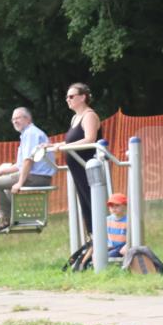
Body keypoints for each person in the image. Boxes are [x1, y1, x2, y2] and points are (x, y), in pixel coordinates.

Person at [0, 107, 55, 230]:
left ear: (28, 119)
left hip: (37, 177)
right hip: (36, 175)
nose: (15, 121)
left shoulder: (31, 134)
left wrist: (19, 183)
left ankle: (7, 217)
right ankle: (12, 214)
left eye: (18, 118)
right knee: (2, 182)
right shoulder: (27, 134)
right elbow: (20, 165)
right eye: (13, 119)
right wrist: (1, 171)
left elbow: (28, 161)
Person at [56, 82, 102, 235]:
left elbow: (90, 139)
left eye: (71, 96)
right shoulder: (75, 118)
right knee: (85, 204)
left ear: (83, 97)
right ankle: (93, 238)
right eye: (66, 97)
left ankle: (103, 238)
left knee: (93, 202)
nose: (67, 100)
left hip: (88, 166)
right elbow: (72, 142)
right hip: (77, 168)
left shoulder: (89, 116)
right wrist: (56, 145)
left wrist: (64, 147)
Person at [106, 192, 129, 258]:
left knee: (109, 255)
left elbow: (131, 237)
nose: (114, 208)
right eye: (111, 206)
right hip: (110, 246)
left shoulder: (128, 221)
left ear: (125, 206)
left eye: (117, 205)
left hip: (122, 247)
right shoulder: (107, 220)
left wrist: (127, 245)